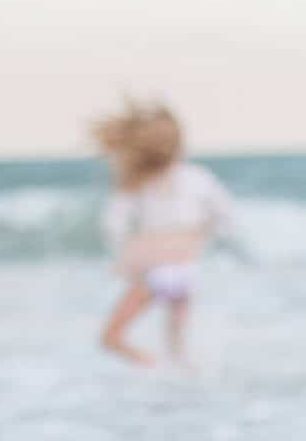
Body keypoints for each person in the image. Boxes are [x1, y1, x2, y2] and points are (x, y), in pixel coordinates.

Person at [92, 101, 238, 365]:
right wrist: (205, 237)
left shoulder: (138, 183)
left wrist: (126, 257)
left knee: (110, 337)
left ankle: (149, 366)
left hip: (154, 274)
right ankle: (178, 390)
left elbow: (113, 225)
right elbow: (225, 216)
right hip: (186, 272)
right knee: (178, 348)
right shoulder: (198, 177)